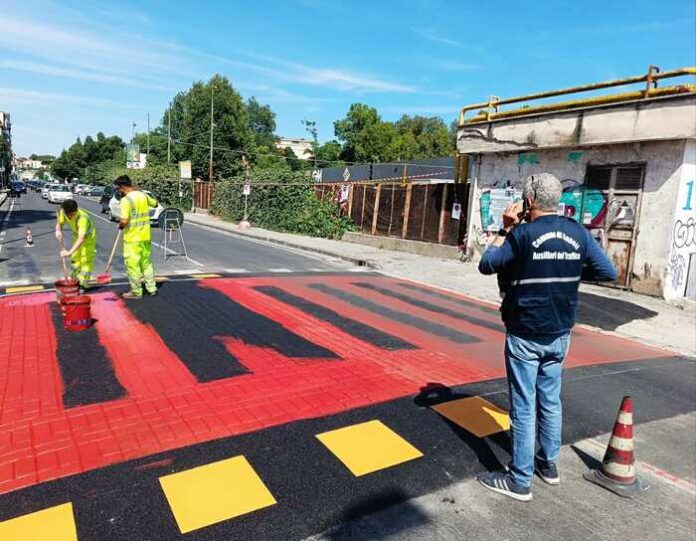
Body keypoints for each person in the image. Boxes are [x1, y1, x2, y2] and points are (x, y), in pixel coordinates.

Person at [476, 173, 617, 502]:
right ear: (558, 201)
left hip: (526, 332)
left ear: (528, 202)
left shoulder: (522, 234)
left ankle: (519, 480)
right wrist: (566, 272)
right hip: (560, 332)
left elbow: (487, 264)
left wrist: (504, 228)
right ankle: (547, 465)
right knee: (550, 400)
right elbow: (607, 272)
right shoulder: (578, 232)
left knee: (524, 407)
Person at [114, 175, 158, 299]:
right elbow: (155, 204)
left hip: (132, 239)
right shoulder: (143, 195)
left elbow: (124, 220)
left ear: (122, 187)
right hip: (145, 236)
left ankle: (136, 291)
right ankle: (151, 288)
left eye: (119, 188)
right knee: (146, 263)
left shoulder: (126, 200)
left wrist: (121, 226)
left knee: (133, 265)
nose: (119, 191)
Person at [55, 199, 97, 290]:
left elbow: (81, 238)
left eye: (71, 214)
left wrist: (68, 252)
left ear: (75, 211)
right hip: (76, 234)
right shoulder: (63, 212)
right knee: (75, 258)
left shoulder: (83, 218)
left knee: (85, 260)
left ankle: (83, 284)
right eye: (67, 214)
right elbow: (59, 223)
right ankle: (75, 279)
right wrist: (58, 230)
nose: (69, 216)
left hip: (88, 238)